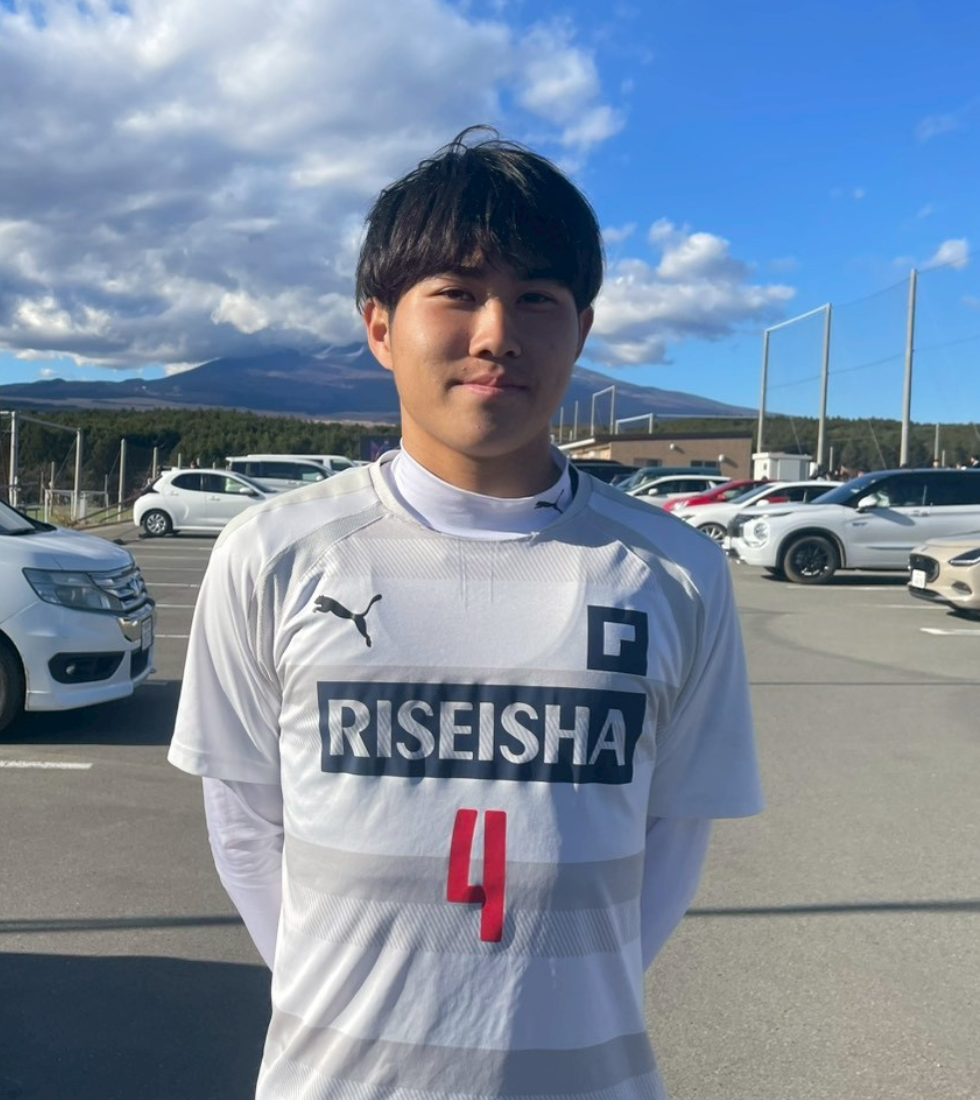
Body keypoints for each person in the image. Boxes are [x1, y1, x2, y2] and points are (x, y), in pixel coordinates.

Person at [169, 128, 763, 1100]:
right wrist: (352, 1008)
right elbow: (244, 829)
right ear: (378, 326)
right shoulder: (271, 553)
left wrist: (548, 1004)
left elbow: (672, 840)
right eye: (455, 291)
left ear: (580, 327)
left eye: (537, 297)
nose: (496, 334)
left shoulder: (677, 571)